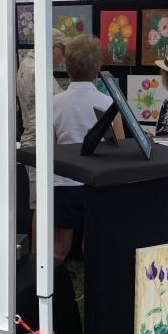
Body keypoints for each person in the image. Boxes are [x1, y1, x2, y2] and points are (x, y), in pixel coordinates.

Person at [53, 35, 125, 261]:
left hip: (63, 182)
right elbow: (120, 146)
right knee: (92, 245)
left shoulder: (53, 103)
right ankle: (93, 282)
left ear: (67, 67)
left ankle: (54, 282)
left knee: (58, 247)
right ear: (97, 69)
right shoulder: (109, 103)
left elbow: (51, 145)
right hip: (97, 182)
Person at [17, 28, 66, 252]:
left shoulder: (27, 64)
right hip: (39, 141)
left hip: (34, 139)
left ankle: (40, 257)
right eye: (62, 53)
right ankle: (39, 258)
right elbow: (57, 104)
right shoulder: (38, 70)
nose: (62, 59)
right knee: (42, 204)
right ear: (54, 48)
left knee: (40, 203)